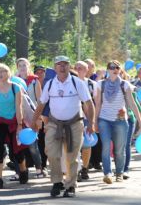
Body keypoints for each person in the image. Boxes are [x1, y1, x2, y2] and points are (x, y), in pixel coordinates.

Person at [31, 56, 94, 197]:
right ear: (55, 68)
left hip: (74, 124)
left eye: (65, 64)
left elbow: (88, 104)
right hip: (54, 124)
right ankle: (57, 182)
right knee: (52, 154)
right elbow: (41, 104)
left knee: (72, 157)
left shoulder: (77, 83)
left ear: (69, 66)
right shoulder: (50, 84)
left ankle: (70, 186)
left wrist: (91, 122)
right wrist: (34, 121)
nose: (62, 67)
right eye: (59, 64)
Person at [95, 60, 141, 183]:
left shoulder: (125, 85)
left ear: (120, 70)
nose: (115, 69)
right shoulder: (100, 85)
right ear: (108, 70)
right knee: (106, 147)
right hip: (104, 120)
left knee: (119, 149)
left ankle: (119, 173)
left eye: (117, 67)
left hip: (120, 120)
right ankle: (107, 173)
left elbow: (132, 104)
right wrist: (94, 122)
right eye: (112, 67)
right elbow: (97, 105)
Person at [0, 63, 25, 189]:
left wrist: (19, 124)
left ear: (9, 73)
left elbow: (19, 108)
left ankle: (23, 171)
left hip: (14, 121)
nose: (0, 74)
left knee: (17, 151)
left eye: (3, 71)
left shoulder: (16, 88)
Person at [73, 61, 99, 181]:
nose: (78, 70)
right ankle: (76, 169)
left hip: (88, 118)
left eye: (81, 68)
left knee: (87, 145)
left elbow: (97, 103)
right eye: (76, 68)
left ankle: (84, 168)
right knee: (75, 146)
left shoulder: (92, 84)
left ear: (87, 69)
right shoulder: (70, 83)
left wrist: (94, 121)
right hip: (74, 118)